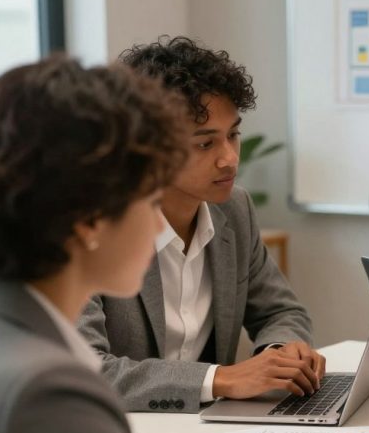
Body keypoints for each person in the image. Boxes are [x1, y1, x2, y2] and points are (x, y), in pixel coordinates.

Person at [0, 56, 369, 433]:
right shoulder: (43, 390)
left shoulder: (14, 335)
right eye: (146, 194)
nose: (158, 223)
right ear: (89, 221)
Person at [78, 36, 323, 413]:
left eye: (233, 135)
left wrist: (281, 355)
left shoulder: (235, 209)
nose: (229, 159)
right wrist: (220, 379)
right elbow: (87, 370)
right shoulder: (91, 227)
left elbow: (280, 312)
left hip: (208, 431)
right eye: (205, 144)